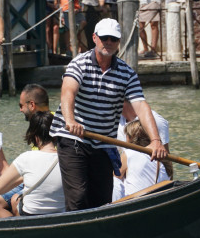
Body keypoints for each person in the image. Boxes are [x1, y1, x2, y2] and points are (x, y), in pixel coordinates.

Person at [50, 18, 167, 210]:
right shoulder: (79, 63)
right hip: (73, 138)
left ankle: (97, 236)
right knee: (78, 196)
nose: (109, 42)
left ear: (118, 42)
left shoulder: (127, 73)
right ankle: (77, 237)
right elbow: (68, 92)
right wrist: (70, 121)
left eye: (113, 39)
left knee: (103, 200)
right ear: (95, 38)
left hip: (103, 142)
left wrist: (155, 140)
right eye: (105, 38)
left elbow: (140, 105)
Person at [0, 112, 65, 217]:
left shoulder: (25, 158)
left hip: (30, 215)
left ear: (35, 137)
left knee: (16, 201)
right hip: (61, 216)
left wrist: (25, 177)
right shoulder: (67, 159)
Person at [113, 120, 174, 201]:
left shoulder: (129, 154)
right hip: (157, 201)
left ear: (131, 137)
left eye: (126, 135)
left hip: (133, 202)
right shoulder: (164, 160)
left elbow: (115, 178)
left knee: (113, 180)